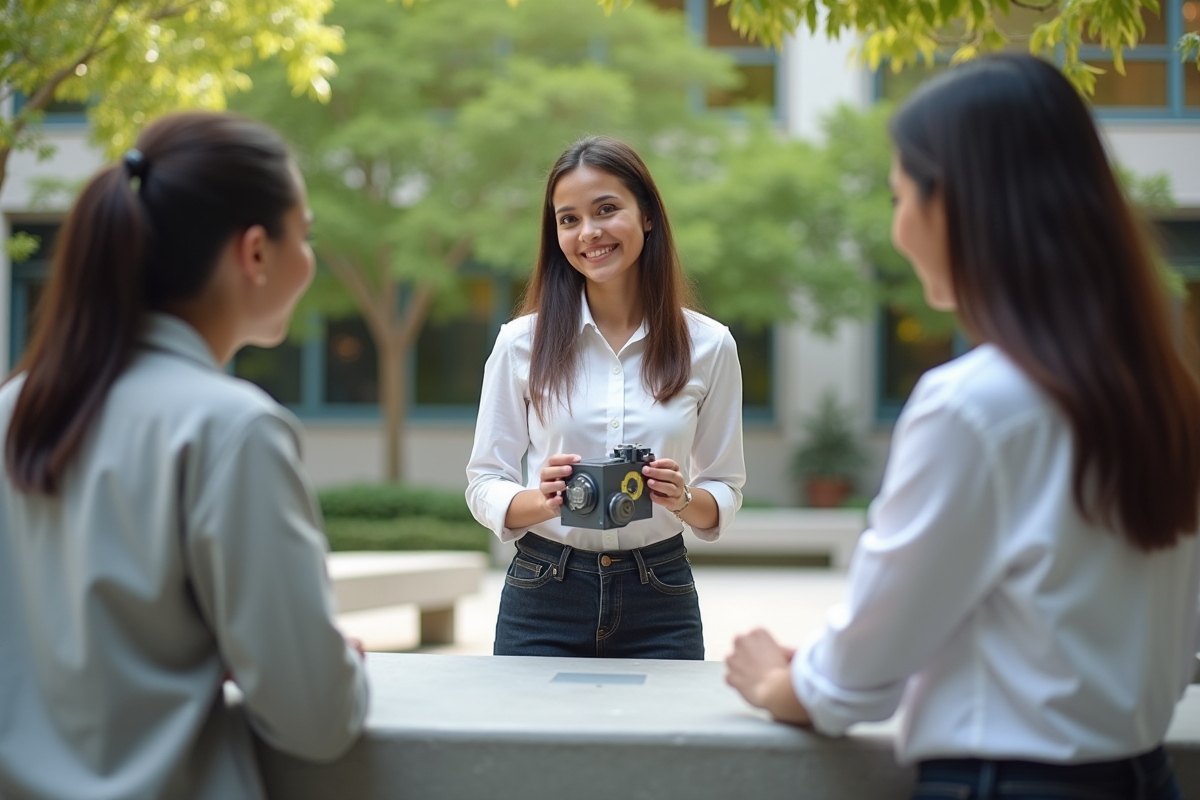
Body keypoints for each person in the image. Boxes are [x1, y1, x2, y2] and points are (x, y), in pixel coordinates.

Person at [725, 53, 1200, 799]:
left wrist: (776, 682)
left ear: (953, 206)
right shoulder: (1166, 395)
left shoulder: (972, 407)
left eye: (899, 196)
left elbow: (854, 681)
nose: (898, 228)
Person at [0, 112, 368, 800]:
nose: (310, 257)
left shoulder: (11, 410)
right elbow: (318, 719)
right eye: (306, 234)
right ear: (255, 253)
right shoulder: (233, 430)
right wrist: (330, 667)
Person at [466, 135, 746, 659]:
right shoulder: (519, 343)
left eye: (606, 209)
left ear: (647, 216)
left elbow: (725, 489)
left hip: (660, 592)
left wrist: (682, 499)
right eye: (568, 219)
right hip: (543, 590)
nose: (588, 233)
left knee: (661, 744)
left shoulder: (709, 346)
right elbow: (484, 480)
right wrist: (539, 499)